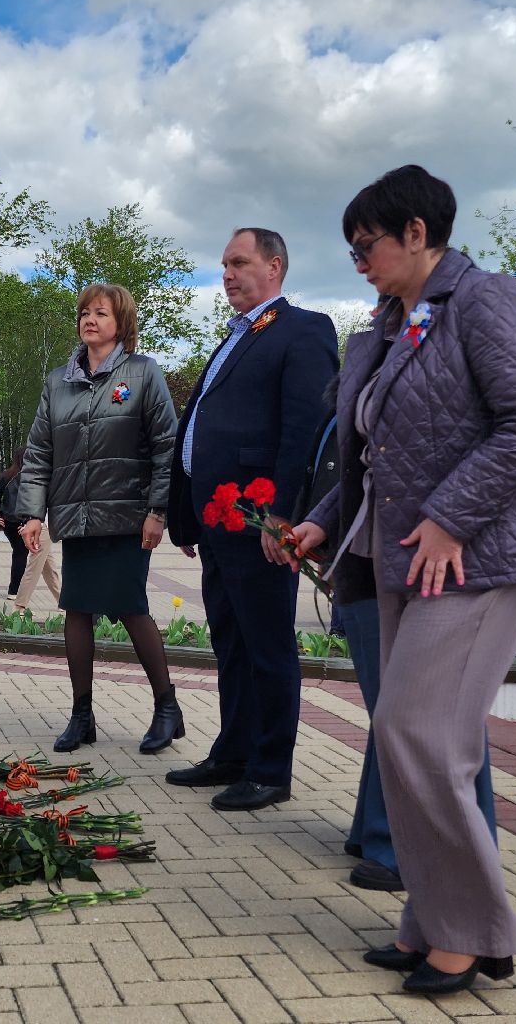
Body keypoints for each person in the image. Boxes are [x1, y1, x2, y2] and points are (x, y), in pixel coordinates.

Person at [290, 166, 516, 995]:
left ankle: (474, 932)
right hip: (399, 560)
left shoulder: (486, 300)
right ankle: (434, 921)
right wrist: (324, 517)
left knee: (421, 734)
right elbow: (377, 451)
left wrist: (455, 514)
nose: (358, 261)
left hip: (478, 556)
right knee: (407, 737)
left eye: (366, 245)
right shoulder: (394, 324)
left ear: (417, 232)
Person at [293, 376, 498, 897]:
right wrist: (321, 521)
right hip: (366, 563)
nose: (371, 291)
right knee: (391, 712)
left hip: (429, 563)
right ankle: (378, 831)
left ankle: (425, 854)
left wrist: (451, 520)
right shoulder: (377, 351)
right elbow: (367, 470)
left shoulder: (459, 340)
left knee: (428, 717)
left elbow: (510, 443)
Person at [164, 228, 338, 812]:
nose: (227, 274)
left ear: (275, 266)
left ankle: (270, 768)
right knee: (231, 643)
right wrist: (186, 512)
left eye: (239, 263)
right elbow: (203, 427)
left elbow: (303, 432)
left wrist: (284, 516)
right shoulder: (237, 337)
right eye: (223, 265)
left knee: (267, 647)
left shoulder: (303, 329)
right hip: (221, 521)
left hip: (262, 522)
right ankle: (233, 753)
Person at [16, 283, 182, 755]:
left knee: (132, 609)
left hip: (129, 517)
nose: (90, 320)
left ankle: (167, 708)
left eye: (101, 313)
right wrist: (32, 512)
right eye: (85, 313)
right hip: (78, 518)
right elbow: (40, 451)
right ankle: (82, 715)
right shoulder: (58, 382)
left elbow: (166, 446)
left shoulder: (142, 373)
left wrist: (158, 510)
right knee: (77, 609)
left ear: (121, 322)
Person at [0, 448, 31, 603]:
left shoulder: (6, 475)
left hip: (8, 520)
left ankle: (15, 589)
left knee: (18, 553)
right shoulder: (28, 477)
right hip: (23, 521)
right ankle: (14, 590)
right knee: (21, 555)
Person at [13, 516, 62, 613]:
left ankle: (63, 601)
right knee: (34, 568)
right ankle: (19, 607)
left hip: (45, 526)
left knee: (49, 568)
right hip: (43, 527)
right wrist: (27, 524)